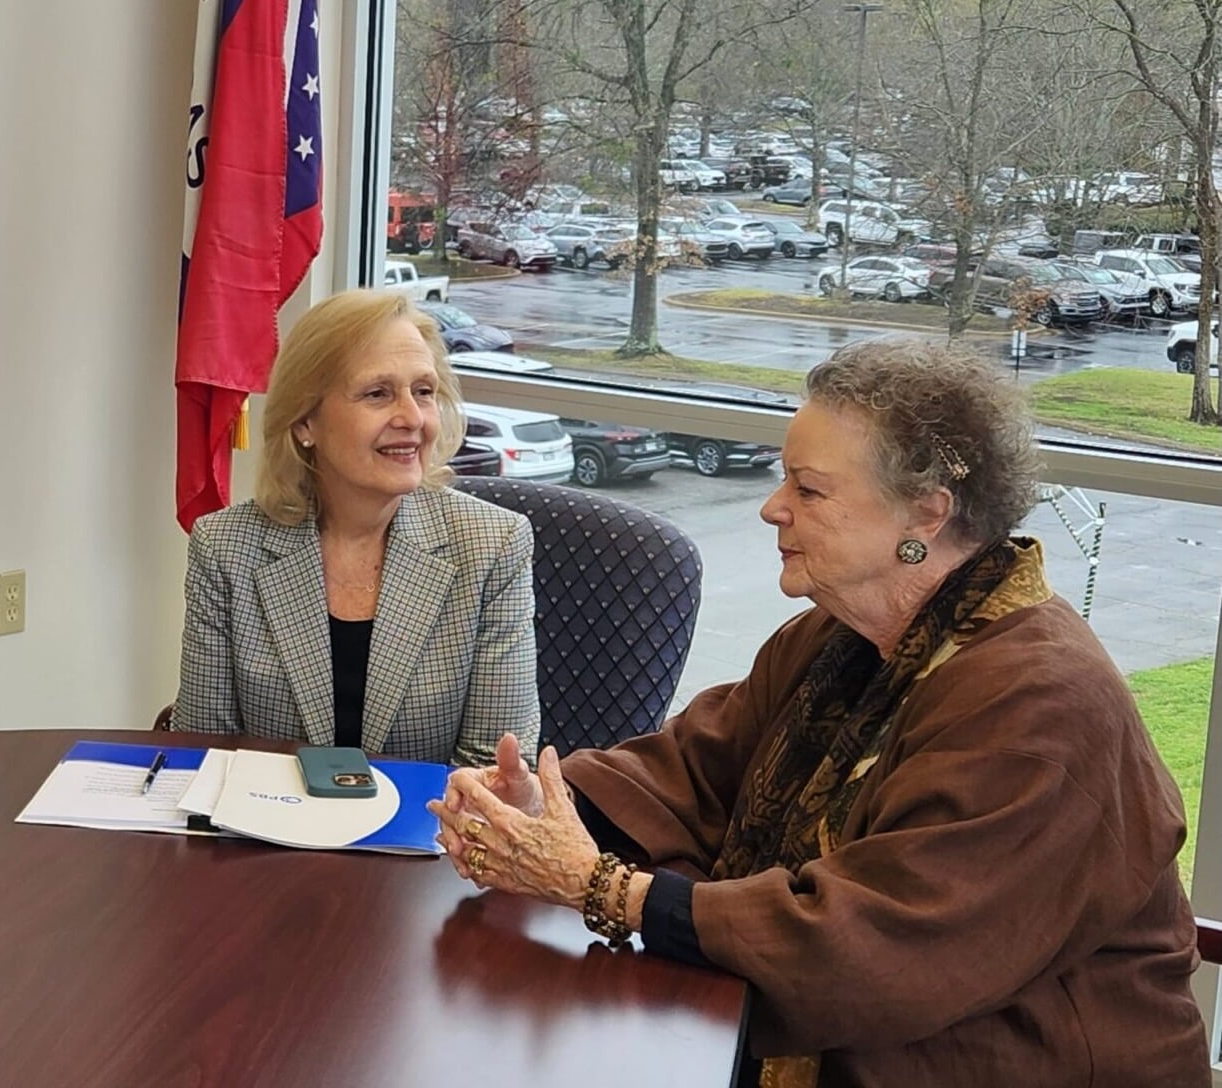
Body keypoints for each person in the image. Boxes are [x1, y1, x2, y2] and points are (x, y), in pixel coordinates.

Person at [428, 339, 1208, 1085]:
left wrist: (601, 888)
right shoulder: (839, 635)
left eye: (808, 488)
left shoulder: (1042, 707)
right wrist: (539, 809)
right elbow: (695, 769)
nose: (773, 508)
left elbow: (876, 952)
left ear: (925, 516)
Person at [172, 288, 539, 766]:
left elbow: (495, 772)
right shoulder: (225, 548)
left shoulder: (492, 546)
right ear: (306, 422)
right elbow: (205, 755)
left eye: (423, 392)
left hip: (428, 836)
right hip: (267, 833)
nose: (412, 418)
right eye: (377, 393)